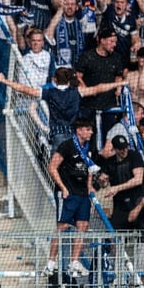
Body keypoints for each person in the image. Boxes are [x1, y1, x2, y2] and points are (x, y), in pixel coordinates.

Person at [45, 118, 96, 277]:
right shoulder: (66, 146)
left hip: (82, 194)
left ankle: (74, 261)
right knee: (62, 226)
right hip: (68, 192)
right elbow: (52, 167)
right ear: (79, 130)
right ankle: (51, 262)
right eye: (88, 129)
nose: (91, 132)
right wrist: (63, 188)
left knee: (83, 226)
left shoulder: (88, 147)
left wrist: (89, 186)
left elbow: (89, 169)